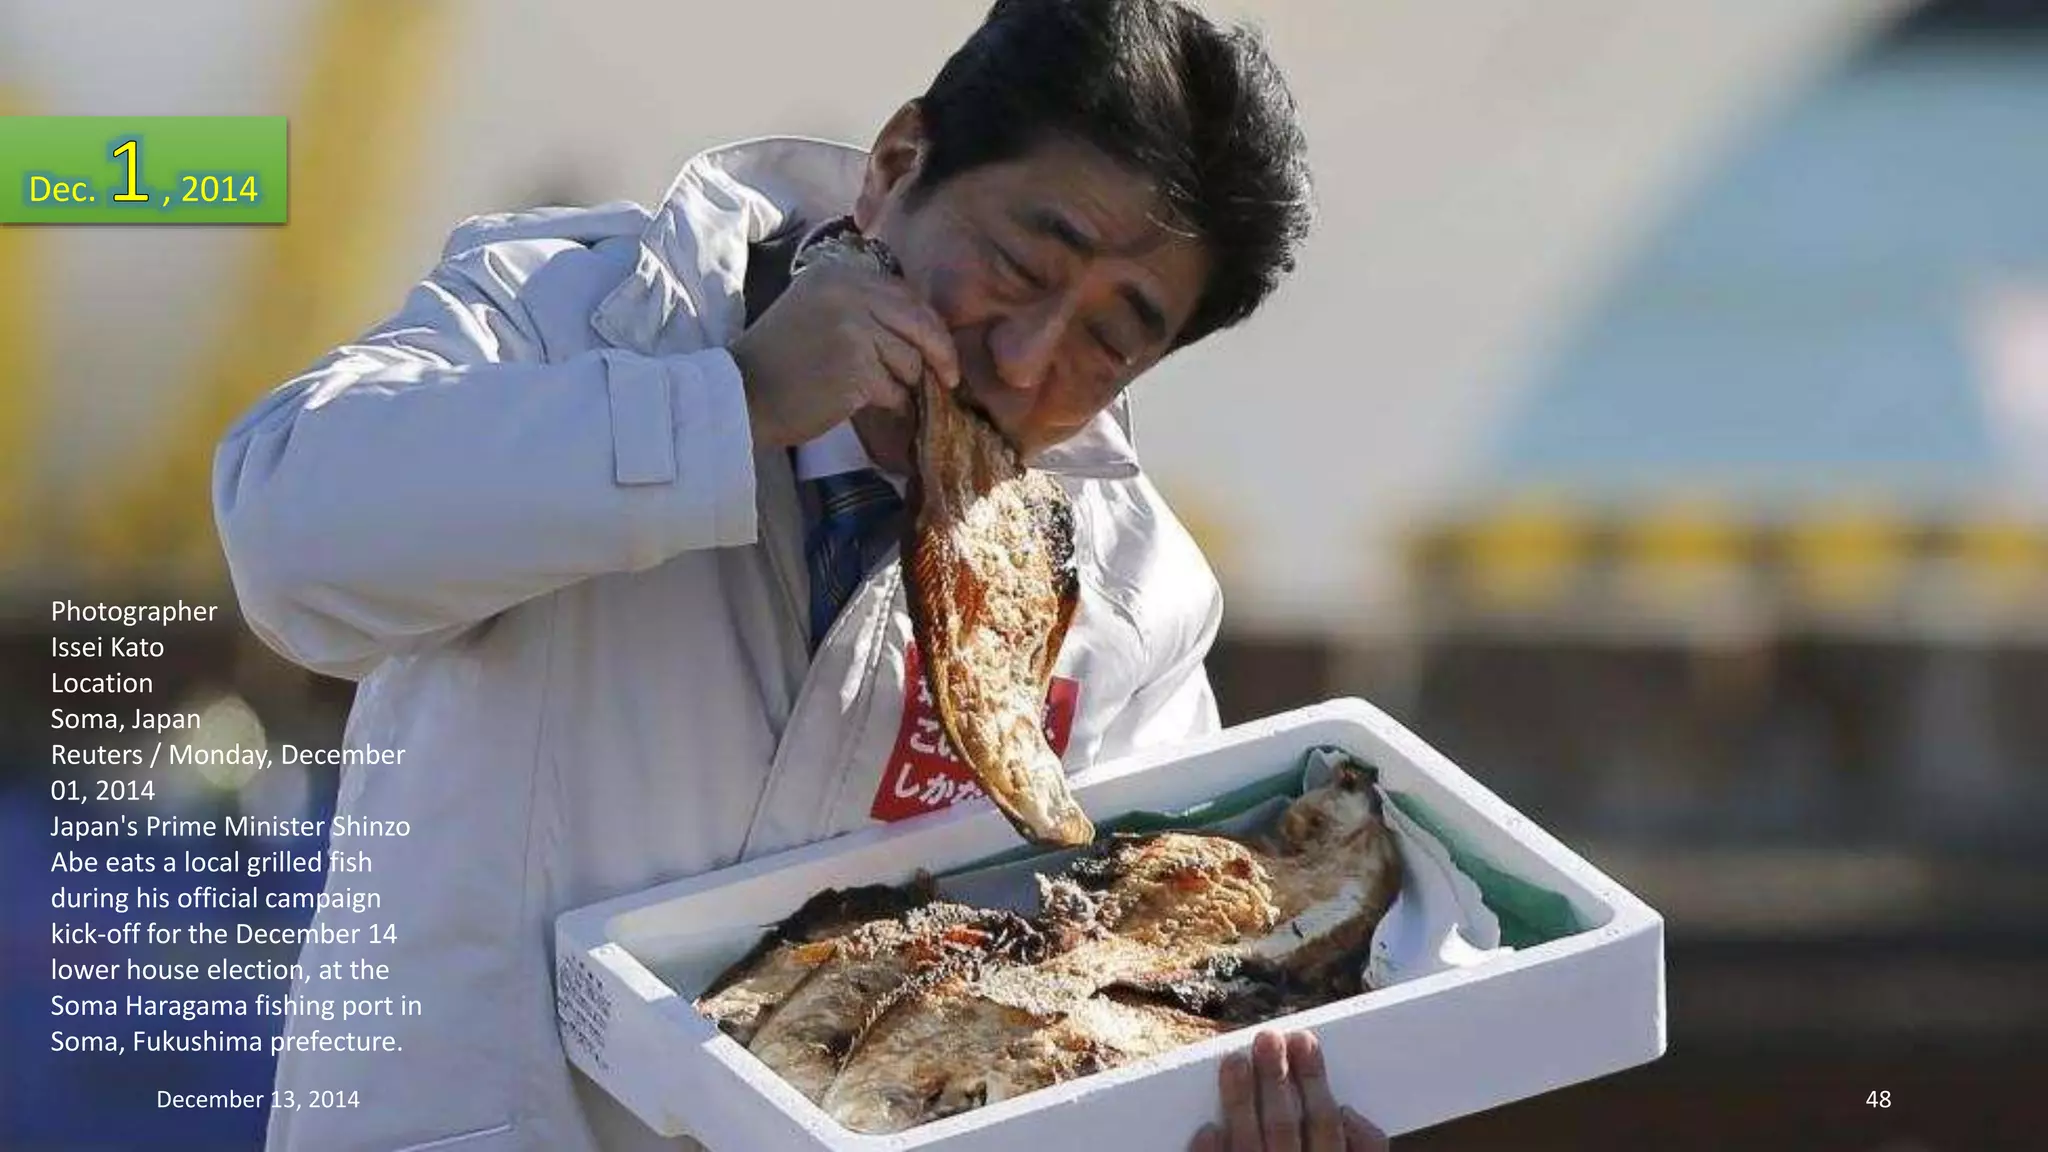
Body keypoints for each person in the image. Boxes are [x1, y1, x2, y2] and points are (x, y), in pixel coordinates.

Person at [214, 1, 1385, 1148]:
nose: (1024, 360)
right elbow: (290, 546)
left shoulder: (1130, 600)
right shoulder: (575, 319)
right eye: (1021, 265)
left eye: (1109, 339)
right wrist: (725, 405)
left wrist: (1209, 1111)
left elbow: (1101, 991)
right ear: (895, 161)